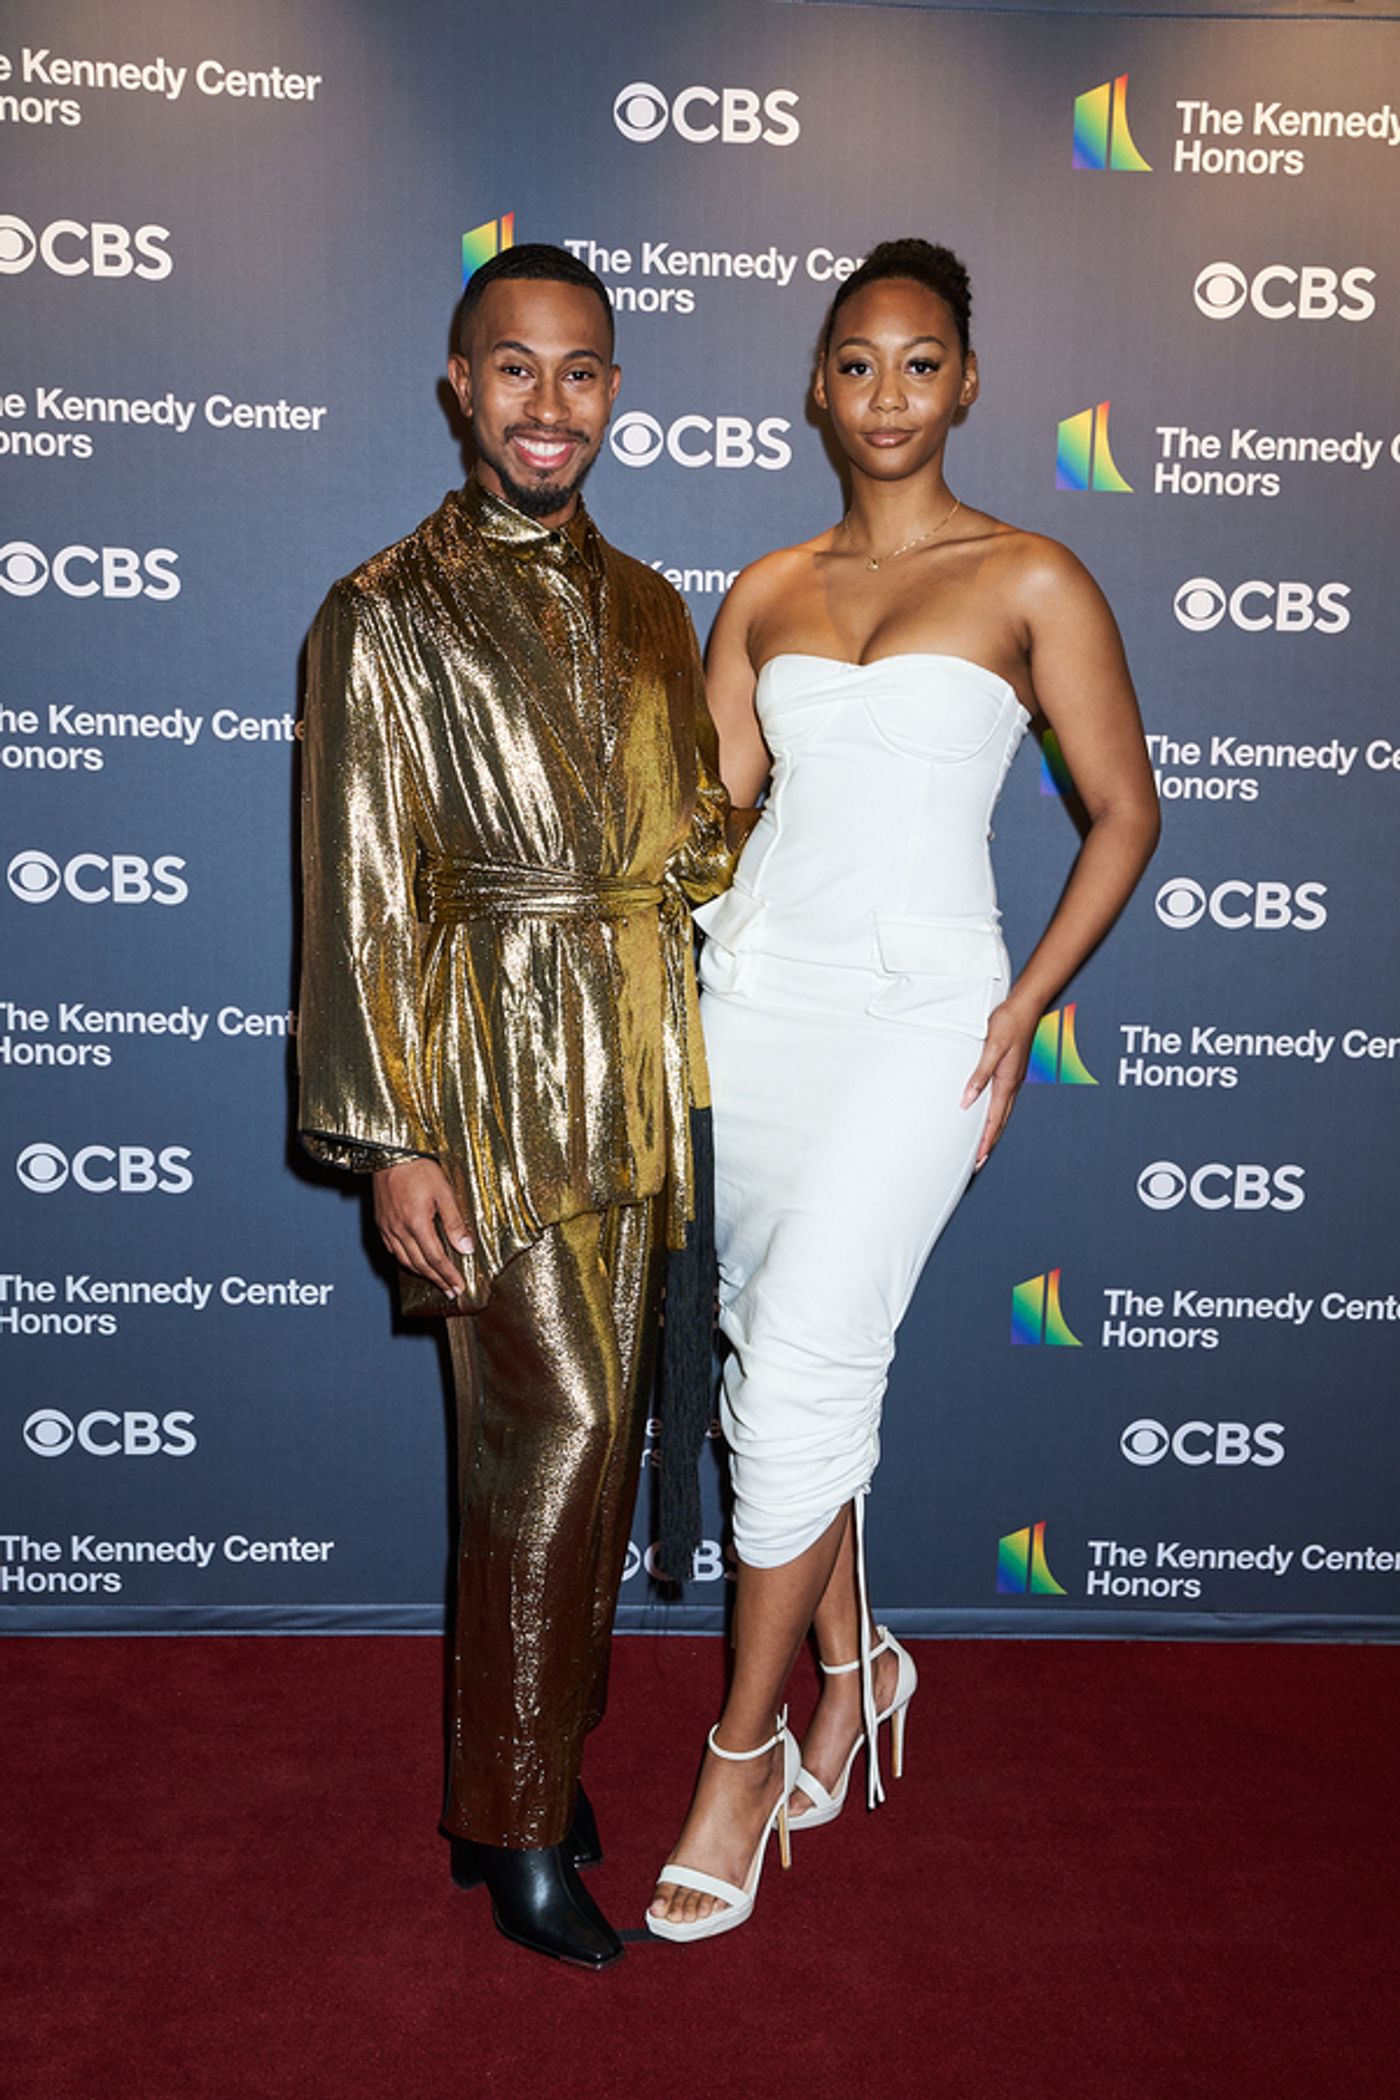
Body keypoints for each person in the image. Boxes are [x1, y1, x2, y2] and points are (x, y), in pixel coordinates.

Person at [648, 238, 1160, 1940]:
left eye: (919, 362)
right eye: (855, 362)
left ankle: (742, 1757)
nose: (886, 393)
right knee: (766, 1352)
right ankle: (859, 1668)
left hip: (921, 1016)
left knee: (801, 1364)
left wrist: (1019, 1011)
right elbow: (712, 823)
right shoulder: (767, 587)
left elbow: (1126, 814)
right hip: (752, 1005)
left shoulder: (1033, 578)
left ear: (967, 383)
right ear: (816, 384)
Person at [297, 243, 731, 1970]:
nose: (549, 404)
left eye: (582, 372)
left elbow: (696, 830)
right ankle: (516, 1827)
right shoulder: (382, 610)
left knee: (602, 1442)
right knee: (545, 1445)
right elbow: (357, 891)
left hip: (644, 1063)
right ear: (458, 387)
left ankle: (530, 1761)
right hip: (484, 1073)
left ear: (613, 394)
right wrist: (393, 1129)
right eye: (514, 369)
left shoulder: (649, 605)